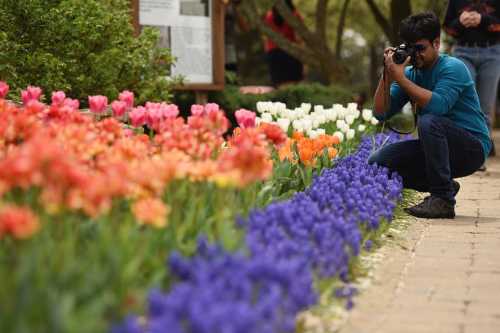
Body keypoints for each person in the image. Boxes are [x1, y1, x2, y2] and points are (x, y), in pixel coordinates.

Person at [369, 12, 492, 219]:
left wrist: (402, 79)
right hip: (436, 146)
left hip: (472, 148)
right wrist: (387, 76)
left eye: (421, 49)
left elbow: (438, 105)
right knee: (378, 163)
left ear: (436, 43)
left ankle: (442, 200)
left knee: (430, 121)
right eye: (410, 49)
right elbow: (381, 114)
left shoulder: (453, 67)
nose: (415, 55)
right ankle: (445, 185)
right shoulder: (409, 74)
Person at [443, 0, 500, 165]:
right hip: (463, 52)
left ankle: (480, 157)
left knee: (485, 107)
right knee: (467, 103)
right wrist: (459, 22)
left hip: (493, 53)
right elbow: (448, 27)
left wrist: (483, 20)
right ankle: (464, 154)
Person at [263, 0, 304, 87]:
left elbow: (266, 38)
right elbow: (299, 38)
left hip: (274, 54)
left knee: (281, 89)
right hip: (291, 53)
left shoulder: (269, 16)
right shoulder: (294, 15)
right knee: (294, 89)